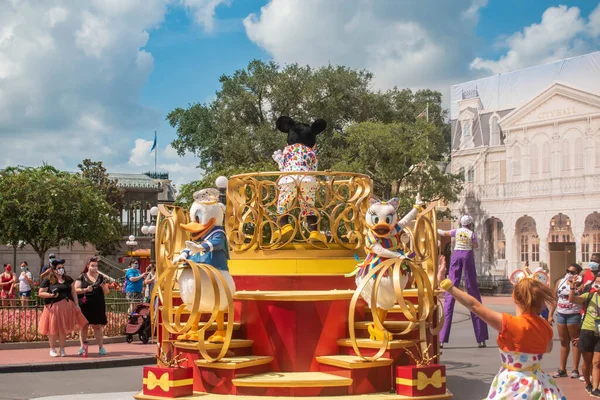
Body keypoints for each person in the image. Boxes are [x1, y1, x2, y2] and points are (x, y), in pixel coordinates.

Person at [437, 258, 566, 399]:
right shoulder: (545, 327)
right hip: (539, 383)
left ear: (515, 298)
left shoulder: (509, 324)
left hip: (513, 383)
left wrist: (447, 285)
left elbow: (475, 306)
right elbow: (547, 348)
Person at [437, 215, 489, 348]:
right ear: (470, 224)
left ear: (461, 223)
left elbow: (444, 233)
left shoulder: (457, 231)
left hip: (456, 255)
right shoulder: (471, 233)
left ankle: (442, 338)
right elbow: (476, 245)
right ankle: (481, 338)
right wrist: (472, 243)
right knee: (472, 290)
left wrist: (435, 229)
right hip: (467, 255)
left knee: (451, 290)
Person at [37, 259, 88, 357]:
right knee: (53, 329)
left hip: (66, 308)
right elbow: (41, 293)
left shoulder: (68, 279)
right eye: (59, 268)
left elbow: (73, 292)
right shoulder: (48, 280)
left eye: (62, 268)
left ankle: (62, 349)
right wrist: (51, 295)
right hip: (53, 308)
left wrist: (77, 304)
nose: (61, 269)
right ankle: (52, 349)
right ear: (54, 270)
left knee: (63, 330)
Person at [548, 263, 583, 379]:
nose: (569, 274)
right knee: (563, 341)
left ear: (577, 274)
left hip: (574, 314)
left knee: (575, 341)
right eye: (568, 271)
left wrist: (575, 284)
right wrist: (550, 314)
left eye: (572, 272)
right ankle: (562, 369)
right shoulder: (560, 282)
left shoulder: (580, 284)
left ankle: (574, 369)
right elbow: (554, 299)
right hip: (561, 314)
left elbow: (582, 298)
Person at [568, 272, 600, 396]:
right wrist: (573, 287)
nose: (598, 284)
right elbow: (572, 299)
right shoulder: (589, 296)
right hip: (587, 331)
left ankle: (596, 388)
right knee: (587, 361)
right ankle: (588, 383)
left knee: (597, 362)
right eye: (597, 282)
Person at [75, 256, 109, 357]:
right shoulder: (82, 276)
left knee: (97, 326)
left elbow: (106, 292)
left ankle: (101, 347)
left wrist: (103, 286)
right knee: (84, 326)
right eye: (92, 266)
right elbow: (75, 290)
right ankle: (83, 347)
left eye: (96, 266)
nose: (94, 268)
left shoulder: (101, 277)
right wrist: (85, 289)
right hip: (85, 305)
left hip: (97, 304)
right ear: (88, 266)